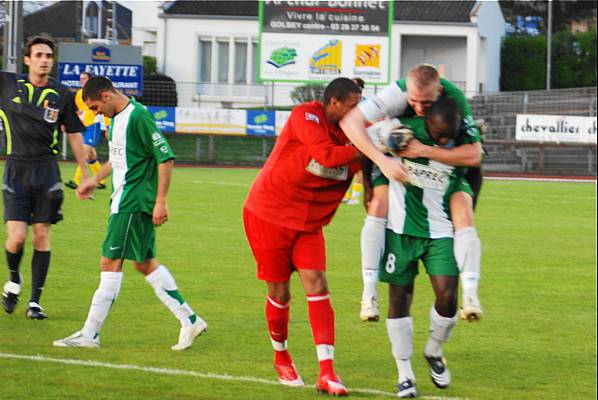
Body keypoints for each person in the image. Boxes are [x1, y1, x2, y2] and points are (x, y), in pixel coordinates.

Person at [53, 76, 206, 350]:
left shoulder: (138, 117)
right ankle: (190, 319)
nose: (96, 114)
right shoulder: (117, 119)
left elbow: (165, 156)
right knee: (144, 263)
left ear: (107, 96)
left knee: (109, 262)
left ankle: (90, 334)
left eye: (96, 108)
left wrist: (161, 201)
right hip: (124, 200)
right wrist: (93, 179)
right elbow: (118, 157)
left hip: (132, 202)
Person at [243, 77, 362, 396]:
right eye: (352, 105)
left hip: (309, 224)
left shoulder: (357, 129)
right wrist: (370, 144)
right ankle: (281, 356)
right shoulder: (306, 116)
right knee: (280, 293)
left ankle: (327, 372)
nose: (358, 112)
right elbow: (326, 156)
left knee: (318, 283)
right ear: (333, 103)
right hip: (268, 214)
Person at [340, 64, 483, 322]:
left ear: (439, 91)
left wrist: (423, 151)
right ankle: (368, 293)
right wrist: (381, 166)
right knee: (378, 206)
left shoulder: (455, 100)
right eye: (413, 101)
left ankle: (471, 295)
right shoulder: (396, 95)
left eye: (426, 103)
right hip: (390, 156)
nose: (418, 108)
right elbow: (350, 123)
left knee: (464, 214)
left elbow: (475, 156)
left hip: (438, 168)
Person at [374, 98, 467, 398]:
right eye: (439, 134)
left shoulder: (461, 140)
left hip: (441, 231)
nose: (443, 141)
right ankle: (404, 373)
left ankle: (433, 351)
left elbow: (475, 167)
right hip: (400, 230)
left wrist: (467, 210)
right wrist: (374, 182)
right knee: (399, 299)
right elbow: (366, 144)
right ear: (427, 122)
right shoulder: (402, 131)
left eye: (448, 136)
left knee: (449, 295)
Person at [1, 36, 89, 319]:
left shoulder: (62, 94)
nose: (44, 60)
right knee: (16, 238)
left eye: (48, 55)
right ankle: (14, 279)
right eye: (38, 55)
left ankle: (35, 302)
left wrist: (85, 174)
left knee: (42, 235)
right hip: (15, 168)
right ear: (27, 59)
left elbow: (74, 133)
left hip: (46, 170)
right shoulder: (6, 85)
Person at [65, 71, 109, 190]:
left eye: (84, 79)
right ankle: (102, 180)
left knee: (83, 152)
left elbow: (103, 111)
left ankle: (76, 180)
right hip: (83, 126)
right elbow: (78, 110)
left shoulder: (96, 94)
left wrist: (107, 127)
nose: (81, 81)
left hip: (94, 126)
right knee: (91, 155)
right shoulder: (79, 94)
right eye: (80, 78)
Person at [342, 77, 366, 205]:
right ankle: (346, 195)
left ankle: (355, 197)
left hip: (360, 137)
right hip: (349, 137)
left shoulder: (365, 103)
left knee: (358, 170)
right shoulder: (347, 102)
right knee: (346, 168)